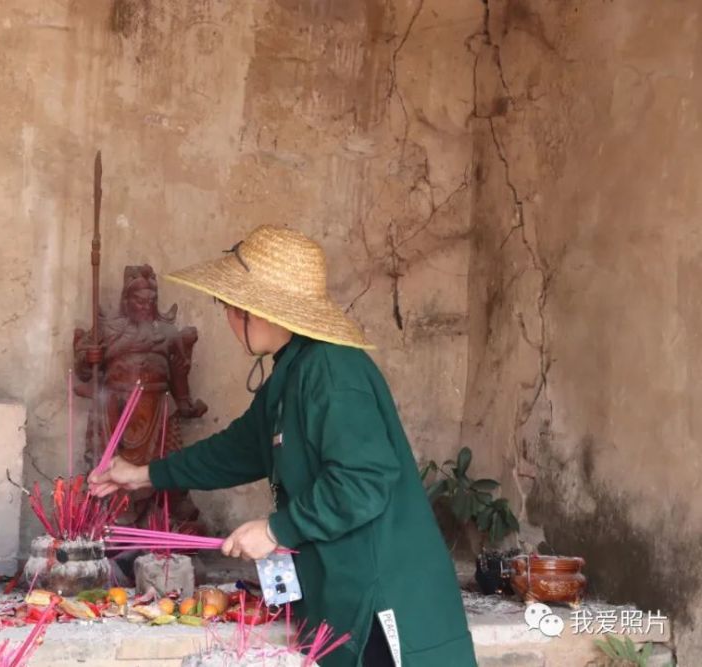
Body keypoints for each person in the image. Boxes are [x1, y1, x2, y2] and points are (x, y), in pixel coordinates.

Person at [90, 225, 477, 667]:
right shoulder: (292, 371)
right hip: (339, 592)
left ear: (258, 310)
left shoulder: (333, 370)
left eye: (230, 306)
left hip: (383, 602)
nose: (228, 317)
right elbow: (240, 449)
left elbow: (363, 482)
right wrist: (142, 473)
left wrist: (276, 529)